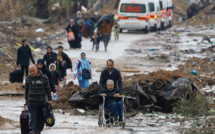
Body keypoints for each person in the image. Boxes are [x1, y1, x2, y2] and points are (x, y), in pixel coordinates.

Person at [25, 64, 52, 134]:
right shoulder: (28, 79)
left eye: (33, 71)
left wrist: (50, 100)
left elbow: (48, 89)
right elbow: (26, 90)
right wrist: (26, 100)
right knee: (32, 116)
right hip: (31, 101)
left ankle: (38, 130)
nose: (32, 73)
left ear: (37, 69)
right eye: (30, 71)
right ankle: (32, 130)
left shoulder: (44, 78)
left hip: (41, 101)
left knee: (41, 117)